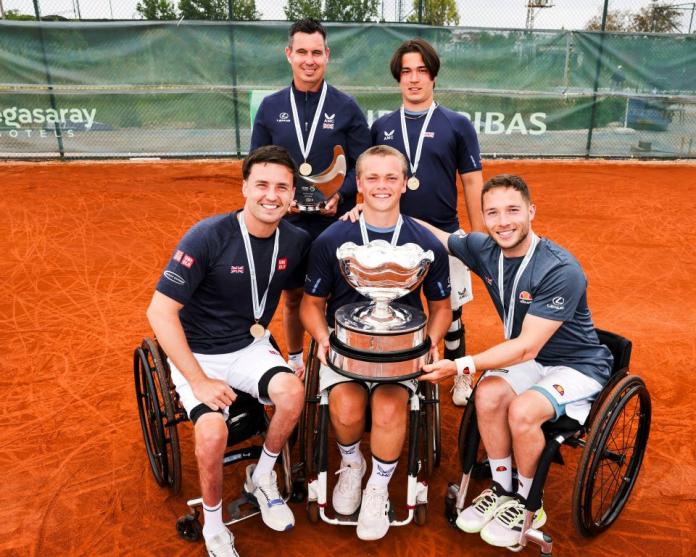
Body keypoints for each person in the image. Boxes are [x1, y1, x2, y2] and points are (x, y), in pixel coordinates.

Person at [419, 174, 613, 549]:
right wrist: (384, 211)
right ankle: (502, 488)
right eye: (492, 213)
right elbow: (438, 237)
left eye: (512, 210)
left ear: (531, 211)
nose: (503, 221)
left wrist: (461, 365)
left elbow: (525, 347)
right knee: (487, 395)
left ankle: (529, 503)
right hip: (533, 356)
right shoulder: (483, 247)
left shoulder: (560, 269)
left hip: (576, 365)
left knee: (523, 412)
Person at [146, 146, 311, 557]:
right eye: (262, 185)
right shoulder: (207, 237)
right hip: (196, 354)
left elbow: (294, 302)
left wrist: (293, 355)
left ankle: (263, 477)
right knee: (214, 431)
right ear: (244, 187)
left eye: (281, 187)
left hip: (249, 345)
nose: (271, 195)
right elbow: (160, 311)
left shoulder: (295, 240)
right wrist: (199, 381)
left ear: (293, 195)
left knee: (292, 394)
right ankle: (215, 526)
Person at [300, 145, 452, 541]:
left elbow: (441, 309)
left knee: (387, 410)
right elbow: (311, 305)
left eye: (390, 178)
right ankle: (353, 465)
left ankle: (379, 486)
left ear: (405, 183)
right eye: (372, 178)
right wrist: (322, 339)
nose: (381, 186)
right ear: (360, 184)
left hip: (399, 355)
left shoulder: (426, 243)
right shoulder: (333, 239)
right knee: (347, 408)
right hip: (345, 350)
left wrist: (431, 343)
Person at [370, 38, 484, 407]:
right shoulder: (383, 126)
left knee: (451, 313)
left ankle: (461, 374)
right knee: (400, 309)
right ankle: (403, 374)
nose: (414, 79)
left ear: (433, 76)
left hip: (445, 235)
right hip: (395, 235)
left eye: (422, 71)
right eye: (406, 72)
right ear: (398, 78)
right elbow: (373, 180)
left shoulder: (457, 124)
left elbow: (471, 182)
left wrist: (478, 238)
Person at [250, 18, 371, 240]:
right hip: (283, 224)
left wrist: (340, 195)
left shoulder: (347, 107)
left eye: (316, 53)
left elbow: (364, 166)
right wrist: (278, 196)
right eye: (302, 52)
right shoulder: (270, 106)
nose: (309, 60)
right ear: (289, 54)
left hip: (335, 225)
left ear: (327, 55)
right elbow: (256, 165)